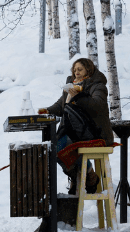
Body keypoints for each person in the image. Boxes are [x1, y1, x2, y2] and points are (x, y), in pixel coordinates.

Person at [40, 58, 112, 194]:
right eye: (74, 70)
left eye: (80, 69)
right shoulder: (71, 85)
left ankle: (84, 174)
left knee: (61, 144)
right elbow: (62, 105)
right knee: (53, 148)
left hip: (94, 133)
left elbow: (98, 105)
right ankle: (82, 174)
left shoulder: (98, 86)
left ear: (88, 70)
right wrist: (47, 110)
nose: (76, 72)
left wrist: (80, 96)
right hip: (75, 132)